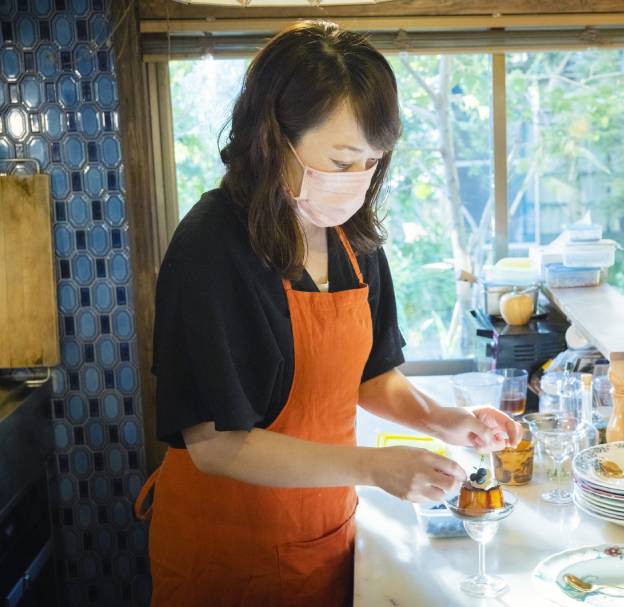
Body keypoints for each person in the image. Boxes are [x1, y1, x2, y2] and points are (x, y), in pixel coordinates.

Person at [134, 21, 521, 607]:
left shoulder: (352, 240)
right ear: (273, 137)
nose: (357, 184)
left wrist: (442, 419)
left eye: (371, 163)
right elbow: (215, 444)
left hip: (324, 534)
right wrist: (373, 466)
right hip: (227, 555)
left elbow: (370, 374)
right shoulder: (211, 248)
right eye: (341, 162)